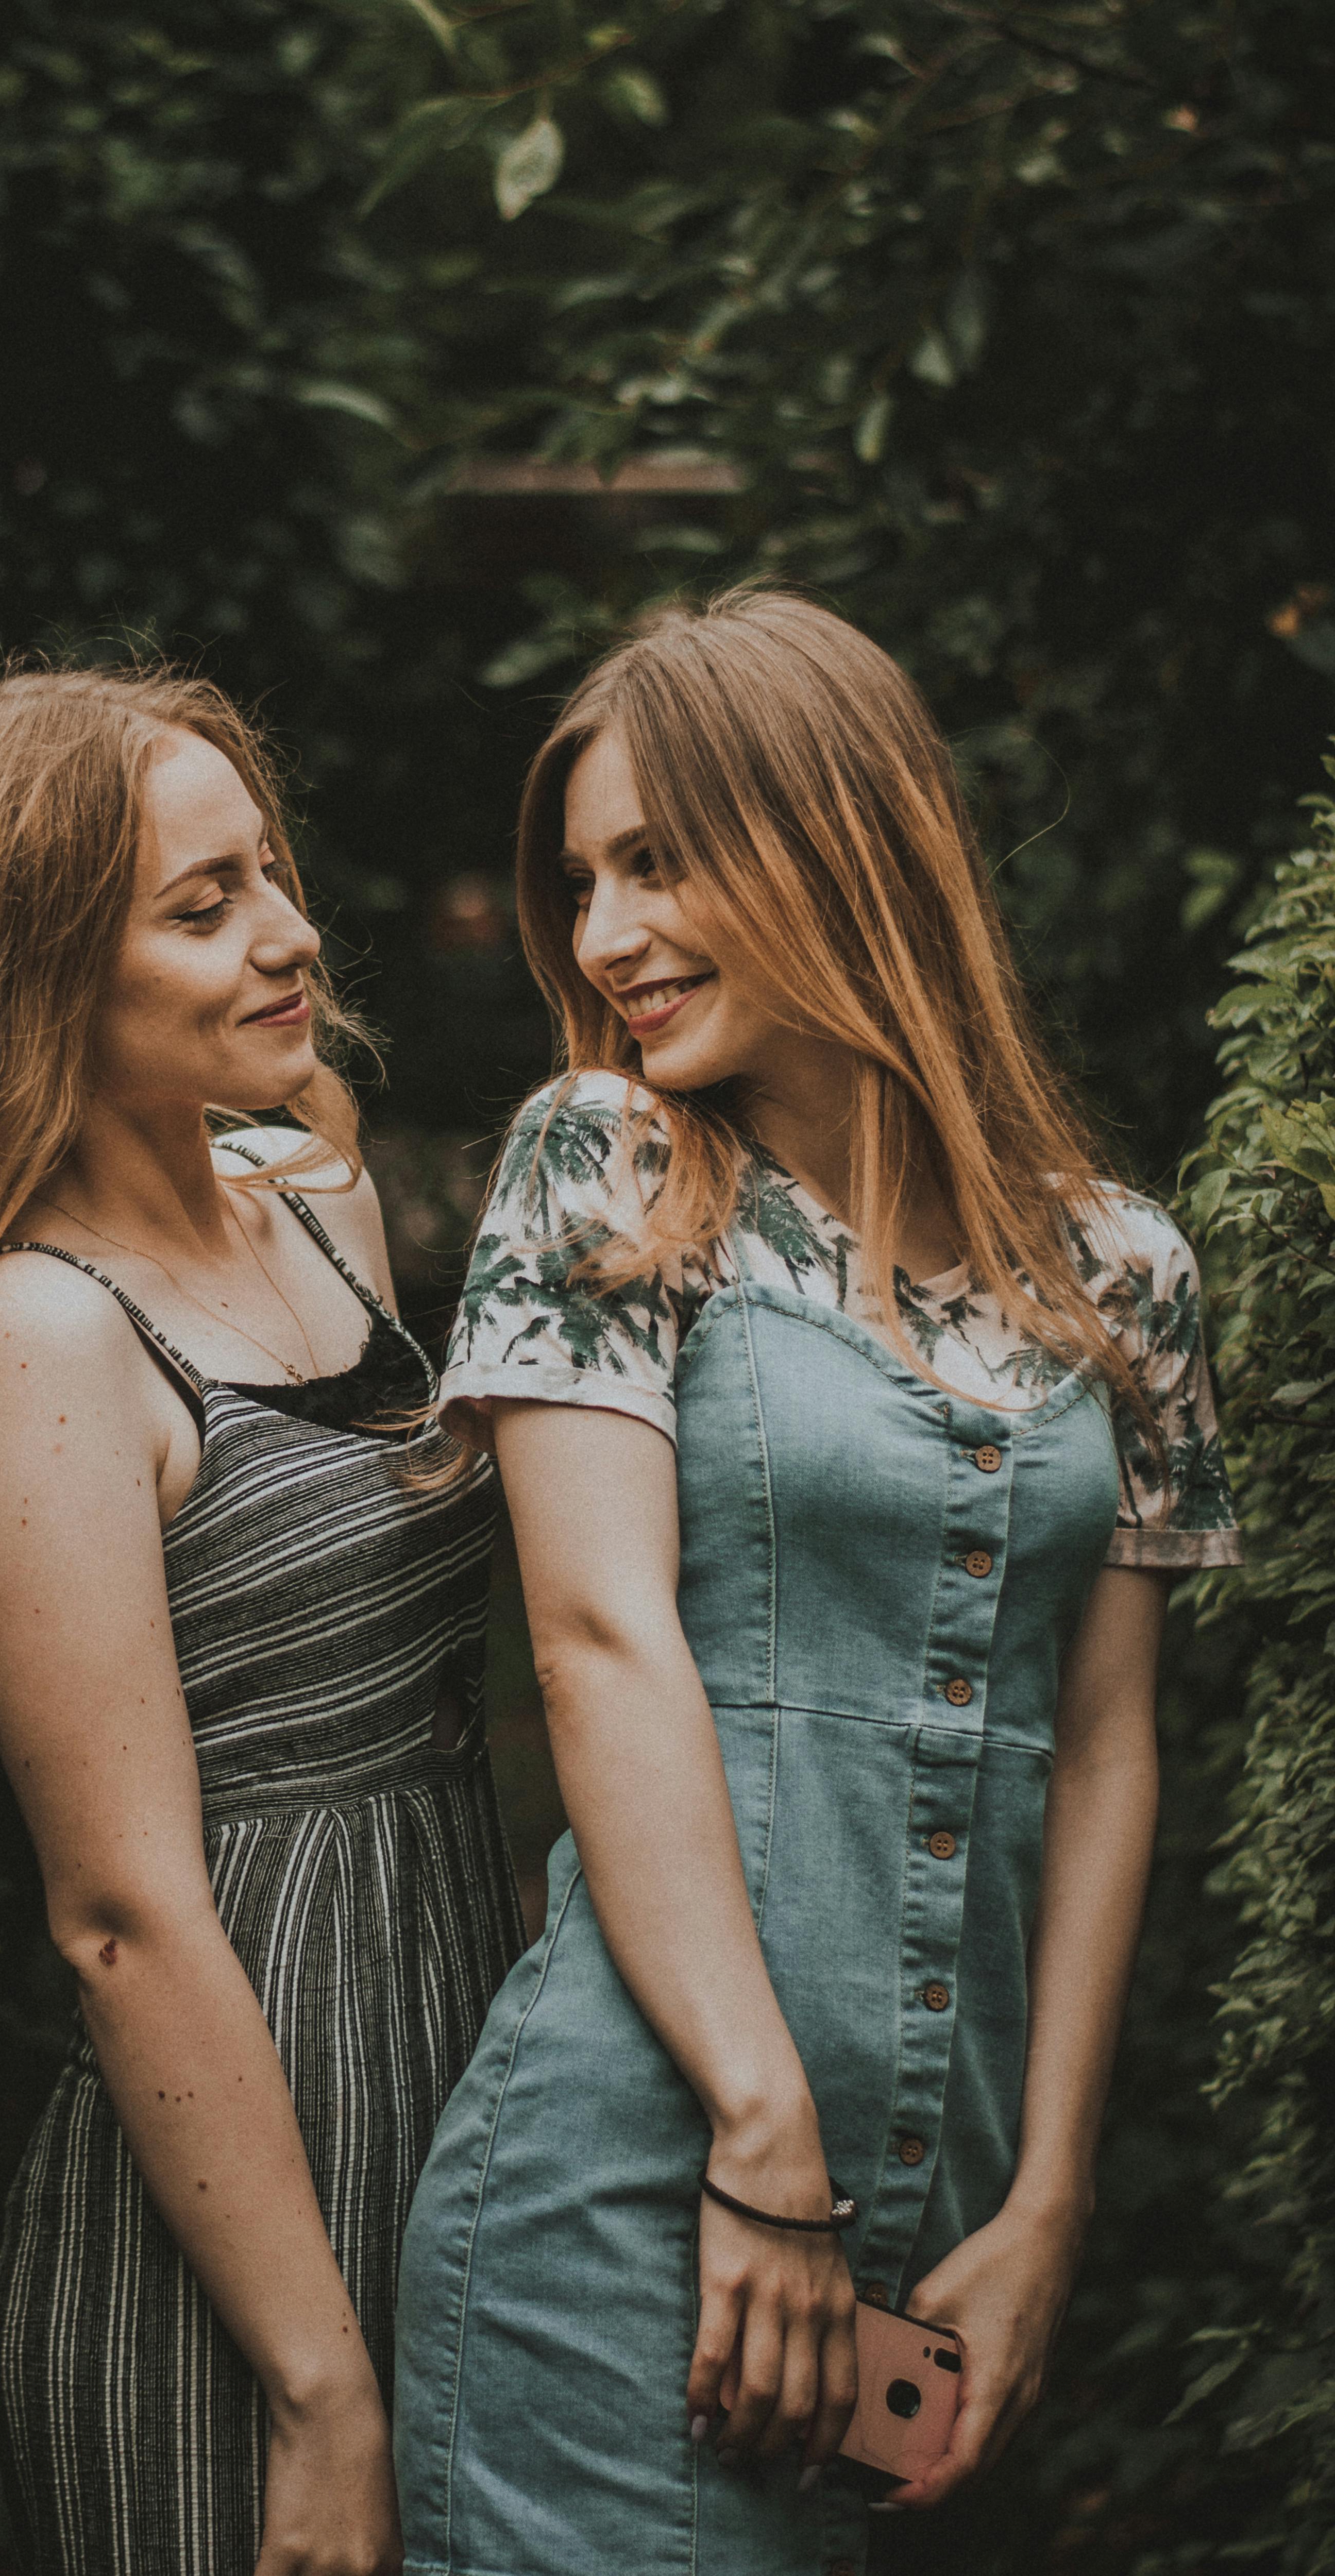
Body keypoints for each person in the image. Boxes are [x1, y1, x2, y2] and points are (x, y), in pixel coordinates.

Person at [392, 590, 1242, 2575]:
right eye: (586, 880)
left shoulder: (1125, 1271)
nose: (605, 937)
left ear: (840, 840)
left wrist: (1046, 2206)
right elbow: (596, 1643)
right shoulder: (605, 1164)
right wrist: (766, 2142)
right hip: (635, 2197)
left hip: (936, 2240)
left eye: (661, 861)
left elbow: (1106, 1751)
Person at [0, 666, 523, 2576]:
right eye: (203, 907)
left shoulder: (318, 1191)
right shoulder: (37, 1336)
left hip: (458, 2075)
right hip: (233, 2229)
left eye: (269, 873)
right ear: (29, 982)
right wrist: (319, 2394)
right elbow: (117, 1917)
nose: (291, 937)